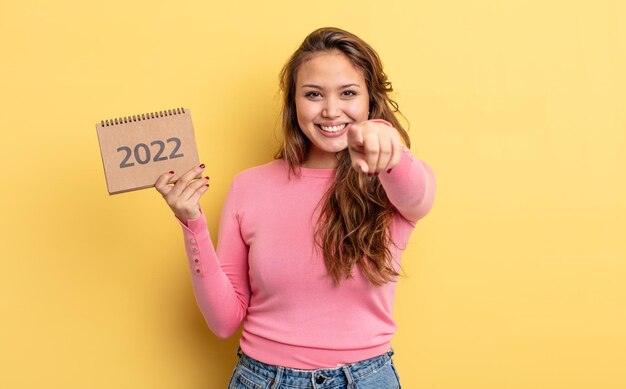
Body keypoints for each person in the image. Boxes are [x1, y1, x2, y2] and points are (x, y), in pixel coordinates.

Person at [155, 27, 436, 389]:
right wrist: (191, 222)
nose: (331, 110)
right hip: (262, 379)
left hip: (365, 379)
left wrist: (385, 141)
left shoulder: (393, 178)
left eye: (348, 93)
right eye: (314, 94)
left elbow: (418, 196)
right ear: (294, 104)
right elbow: (224, 321)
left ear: (370, 100)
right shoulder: (249, 186)